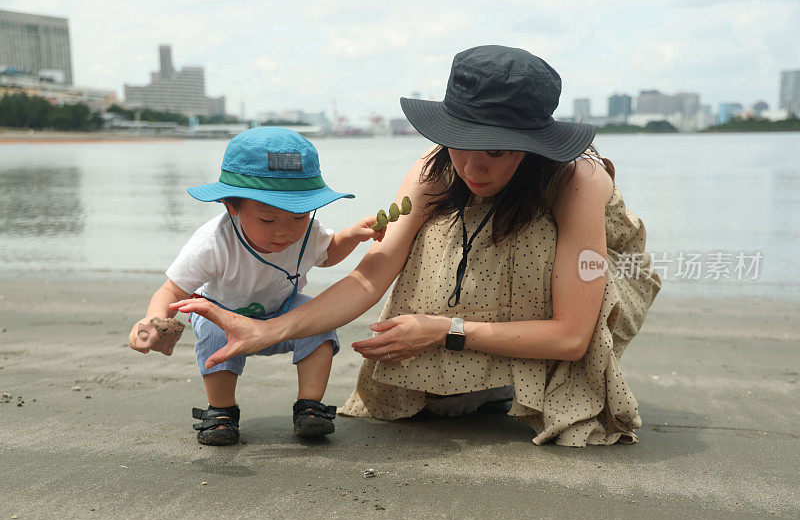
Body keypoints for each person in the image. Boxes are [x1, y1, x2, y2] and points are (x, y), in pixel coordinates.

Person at [171, 46, 662, 447]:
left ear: (532, 144)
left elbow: (573, 336)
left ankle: (504, 371)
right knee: (425, 233)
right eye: (459, 141)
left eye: (496, 150)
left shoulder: (578, 179)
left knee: (531, 238)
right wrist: (267, 331)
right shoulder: (435, 170)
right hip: (491, 285)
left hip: (595, 287)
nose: (473, 168)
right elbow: (371, 276)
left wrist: (445, 331)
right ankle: (486, 375)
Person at [129, 127, 384, 445]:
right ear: (230, 205)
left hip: (283, 313)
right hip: (223, 312)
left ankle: (310, 407)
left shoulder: (307, 232)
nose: (285, 232)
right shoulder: (214, 242)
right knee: (212, 329)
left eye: (298, 217)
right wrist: (153, 321)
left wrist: (350, 236)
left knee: (320, 318)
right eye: (268, 220)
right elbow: (172, 290)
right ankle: (221, 412)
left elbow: (328, 253)